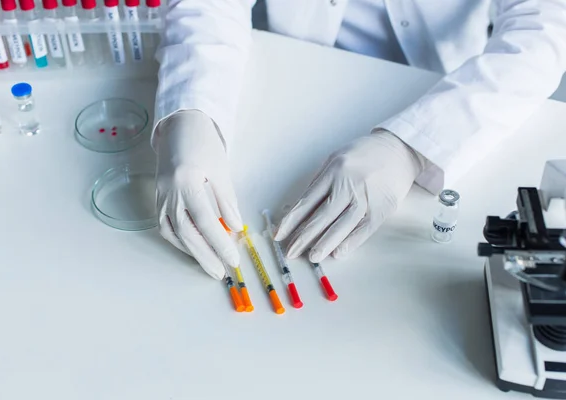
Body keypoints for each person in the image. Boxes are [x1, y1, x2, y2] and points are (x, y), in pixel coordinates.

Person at [153, 0, 566, 280]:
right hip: (292, 83)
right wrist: (191, 110)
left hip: (448, 99)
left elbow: (541, 29)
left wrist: (412, 146)